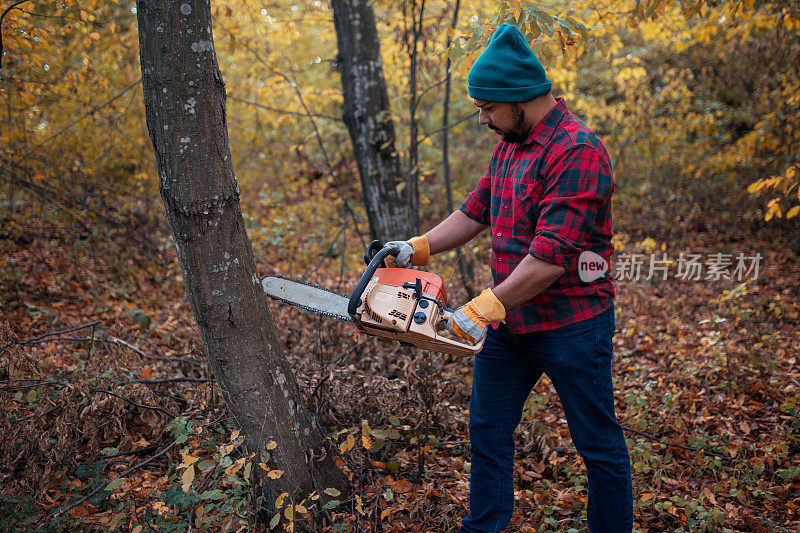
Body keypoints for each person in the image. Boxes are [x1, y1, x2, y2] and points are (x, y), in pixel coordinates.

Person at [387, 24, 633, 533]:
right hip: (509, 325)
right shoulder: (511, 144)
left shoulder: (577, 150)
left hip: (572, 325)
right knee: (488, 431)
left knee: (597, 443)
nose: (483, 119)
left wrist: (480, 308)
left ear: (519, 99)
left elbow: (550, 258)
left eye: (488, 108)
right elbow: (475, 211)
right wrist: (417, 247)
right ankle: (484, 527)